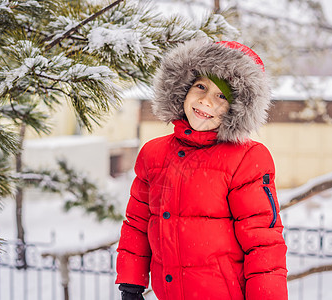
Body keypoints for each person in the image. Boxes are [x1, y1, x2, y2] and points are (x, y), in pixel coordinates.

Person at [115, 39, 288, 300]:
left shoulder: (248, 158)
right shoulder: (154, 153)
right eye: (200, 86)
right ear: (182, 88)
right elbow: (138, 223)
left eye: (221, 95)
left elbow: (263, 242)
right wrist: (131, 282)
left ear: (238, 107)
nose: (206, 101)